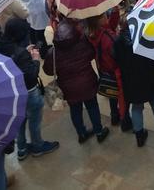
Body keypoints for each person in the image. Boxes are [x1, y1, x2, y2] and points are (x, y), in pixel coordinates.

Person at [0, 18, 60, 160]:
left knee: (19, 121)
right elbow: (30, 75)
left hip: (11, 93)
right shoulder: (20, 53)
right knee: (34, 121)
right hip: (29, 92)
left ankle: (22, 149)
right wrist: (35, 59)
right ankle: (37, 146)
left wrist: (24, 51)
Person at [44, 16, 110, 144]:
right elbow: (92, 54)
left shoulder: (53, 52)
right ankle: (99, 131)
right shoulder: (82, 43)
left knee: (75, 110)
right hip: (87, 83)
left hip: (68, 88)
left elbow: (48, 70)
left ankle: (81, 134)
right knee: (92, 106)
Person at [114, 22, 154, 146]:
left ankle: (139, 135)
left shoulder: (118, 41)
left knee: (136, 106)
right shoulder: (142, 36)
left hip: (130, 80)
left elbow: (117, 60)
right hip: (149, 76)